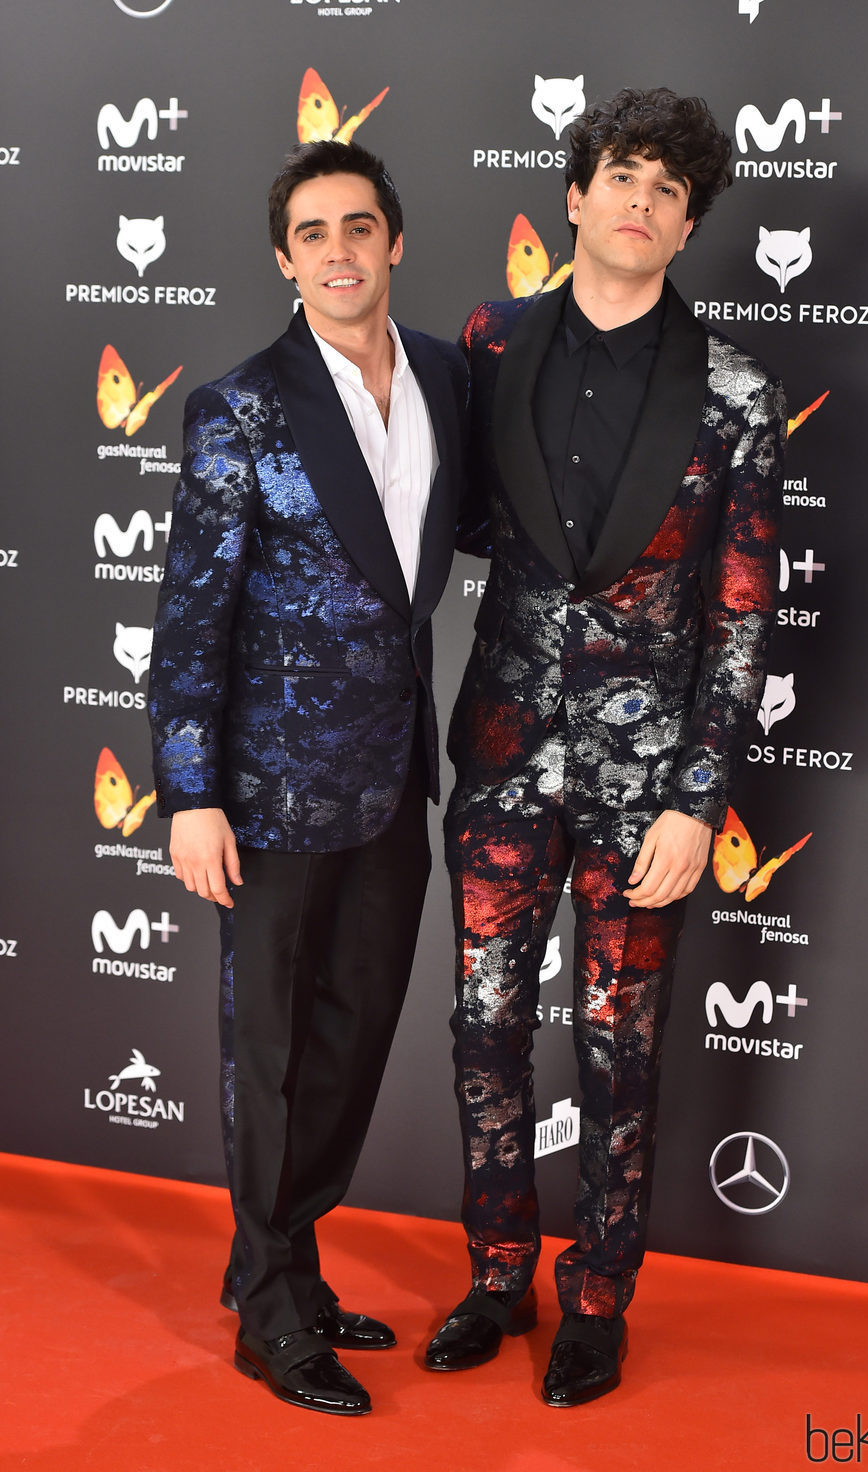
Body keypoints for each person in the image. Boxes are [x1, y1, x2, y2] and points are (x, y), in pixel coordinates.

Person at [424, 87, 784, 1406]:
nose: (638, 202)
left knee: (619, 1048)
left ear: (688, 225)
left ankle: (597, 1299)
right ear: (574, 197)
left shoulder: (738, 388)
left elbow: (743, 613)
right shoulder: (489, 342)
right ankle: (494, 1273)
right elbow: (451, 519)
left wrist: (699, 797)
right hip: (505, 756)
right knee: (481, 1025)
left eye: (666, 190)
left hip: (651, 792)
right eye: (620, 175)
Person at [148, 138, 466, 1416]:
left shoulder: (447, 374)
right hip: (267, 796)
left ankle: (285, 1262)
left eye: (359, 226)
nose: (339, 251)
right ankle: (273, 1312)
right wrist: (189, 791)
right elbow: (190, 615)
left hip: (393, 783)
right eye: (313, 233)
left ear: (394, 241)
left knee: (348, 1042)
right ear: (285, 261)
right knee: (271, 1053)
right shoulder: (239, 405)